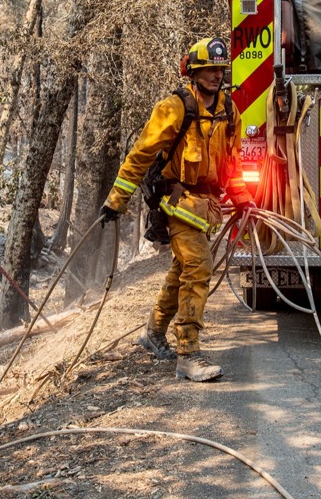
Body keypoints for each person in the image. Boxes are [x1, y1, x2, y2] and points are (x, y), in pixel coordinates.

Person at [99, 37, 255, 382]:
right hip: (178, 202)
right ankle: (188, 353)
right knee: (199, 267)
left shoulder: (230, 111)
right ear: (193, 72)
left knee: (181, 270)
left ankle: (153, 333)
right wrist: (116, 199)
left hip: (208, 205)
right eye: (209, 69)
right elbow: (141, 154)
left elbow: (235, 162)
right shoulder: (174, 107)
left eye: (220, 69)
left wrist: (242, 197)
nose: (216, 75)